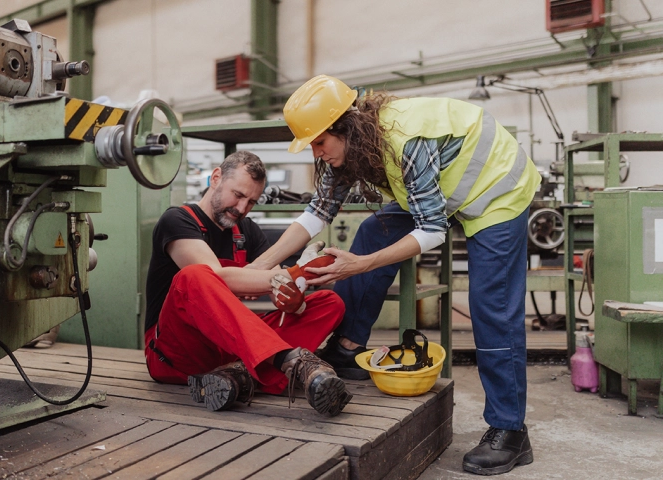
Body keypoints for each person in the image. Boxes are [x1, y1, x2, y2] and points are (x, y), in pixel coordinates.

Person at [250, 75, 540, 475]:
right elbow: (317, 214)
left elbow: (433, 229)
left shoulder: (407, 140)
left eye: (318, 142)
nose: (316, 153)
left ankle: (509, 430)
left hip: (496, 190)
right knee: (373, 231)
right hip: (446, 191)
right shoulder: (351, 148)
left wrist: (360, 264)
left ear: (343, 127)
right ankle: (349, 347)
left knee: (491, 303)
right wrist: (257, 268)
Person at [144, 150, 352, 417]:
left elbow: (280, 292)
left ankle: (237, 377)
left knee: (329, 303)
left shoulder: (248, 231)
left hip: (233, 346)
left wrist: (294, 295)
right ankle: (286, 362)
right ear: (216, 177)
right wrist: (296, 273)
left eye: (251, 201)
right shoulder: (178, 220)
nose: (242, 208)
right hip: (177, 351)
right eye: (238, 195)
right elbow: (218, 276)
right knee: (194, 276)